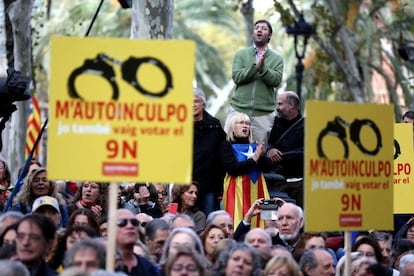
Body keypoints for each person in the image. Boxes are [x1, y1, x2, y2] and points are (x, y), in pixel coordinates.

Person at [227, 19, 284, 144]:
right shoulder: (241, 54)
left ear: (269, 35)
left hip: (263, 115)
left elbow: (276, 81)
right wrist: (255, 67)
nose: (259, 30)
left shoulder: (277, 59)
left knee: (259, 154)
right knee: (229, 149)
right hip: (238, 110)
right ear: (253, 32)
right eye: (257, 27)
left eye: (264, 28)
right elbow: (237, 77)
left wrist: (263, 68)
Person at [220, 112, 272, 228]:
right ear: (232, 126)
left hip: (259, 189)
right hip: (236, 191)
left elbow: (269, 167)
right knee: (238, 223)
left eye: (248, 124)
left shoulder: (254, 145)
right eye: (241, 123)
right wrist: (254, 159)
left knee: (269, 221)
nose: (245, 126)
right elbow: (233, 169)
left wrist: (261, 156)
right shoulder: (226, 145)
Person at [266, 91, 305, 207]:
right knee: (269, 216)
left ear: (291, 105)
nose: (277, 108)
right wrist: (269, 149)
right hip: (274, 182)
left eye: (280, 104)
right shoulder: (274, 123)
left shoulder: (307, 125)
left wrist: (281, 156)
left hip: (301, 184)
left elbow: (307, 153)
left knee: (301, 220)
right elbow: (265, 143)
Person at [193, 87, 226, 215]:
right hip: (185, 187)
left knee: (210, 219)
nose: (192, 105)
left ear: (203, 103)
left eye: (196, 101)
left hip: (210, 186)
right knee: (183, 221)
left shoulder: (215, 125)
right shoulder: (180, 126)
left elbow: (223, 153)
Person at [115, 209, 159, 275]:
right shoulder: (101, 264)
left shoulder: (148, 267)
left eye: (134, 222)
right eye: (122, 222)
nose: (130, 226)